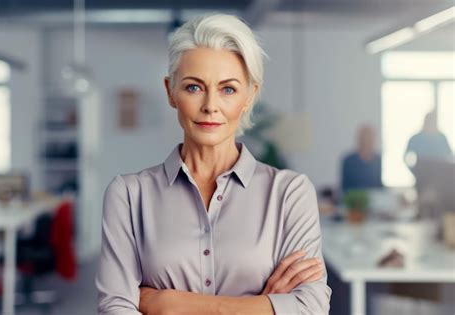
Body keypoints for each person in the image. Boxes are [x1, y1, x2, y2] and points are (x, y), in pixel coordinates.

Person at [96, 14, 331, 314]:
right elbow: (115, 308)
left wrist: (170, 304)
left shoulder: (289, 193)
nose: (210, 105)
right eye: (194, 87)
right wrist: (263, 305)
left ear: (250, 96)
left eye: (228, 89)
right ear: (170, 91)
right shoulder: (128, 195)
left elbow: (311, 308)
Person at [341, 124, 383, 192]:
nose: (367, 141)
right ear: (359, 139)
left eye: (370, 137)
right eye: (365, 137)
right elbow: (345, 188)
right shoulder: (348, 161)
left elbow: (380, 186)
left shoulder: (378, 160)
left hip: (375, 200)